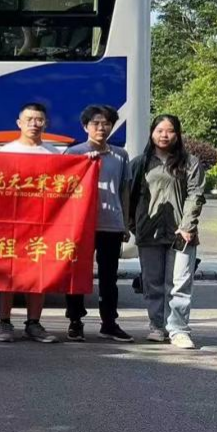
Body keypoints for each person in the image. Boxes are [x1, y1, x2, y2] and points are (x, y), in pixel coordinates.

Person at [128, 114, 205, 350]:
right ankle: (157, 326)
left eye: (170, 130)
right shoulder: (140, 163)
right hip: (148, 233)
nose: (164, 135)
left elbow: (196, 195)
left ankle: (179, 330)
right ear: (152, 133)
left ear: (177, 134)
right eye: (159, 130)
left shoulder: (190, 162)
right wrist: (133, 225)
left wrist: (187, 225)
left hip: (182, 234)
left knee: (180, 283)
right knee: (152, 283)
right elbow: (129, 196)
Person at [65, 105, 134, 343]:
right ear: (85, 126)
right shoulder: (74, 153)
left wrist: (125, 223)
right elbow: (63, 187)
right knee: (77, 274)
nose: (101, 128)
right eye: (95, 123)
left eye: (106, 123)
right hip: (80, 225)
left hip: (111, 223)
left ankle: (109, 323)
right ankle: (75, 321)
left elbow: (124, 190)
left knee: (109, 277)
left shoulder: (120, 155)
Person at [0, 103, 62, 344]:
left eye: (39, 119)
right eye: (29, 119)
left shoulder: (55, 155)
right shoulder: (5, 153)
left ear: (46, 123)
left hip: (44, 225)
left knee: (38, 274)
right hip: (10, 224)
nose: (34, 124)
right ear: (19, 123)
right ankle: (4, 322)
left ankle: (33, 323)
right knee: (7, 274)